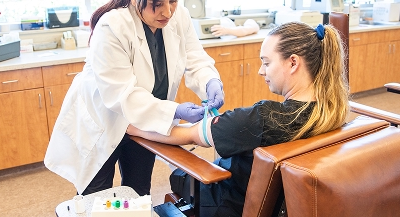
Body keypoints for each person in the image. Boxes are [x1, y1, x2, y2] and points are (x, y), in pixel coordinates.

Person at [127, 21, 350, 216]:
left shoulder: (259, 119)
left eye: (267, 62)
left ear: (293, 63)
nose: (261, 71)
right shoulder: (332, 111)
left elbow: (186, 135)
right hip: (284, 205)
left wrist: (131, 127)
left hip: (227, 203)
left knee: (179, 174)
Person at [44, 0, 225, 197]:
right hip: (104, 120)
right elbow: (122, 95)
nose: (168, 11)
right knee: (96, 197)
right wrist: (175, 111)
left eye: (172, 1)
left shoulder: (178, 16)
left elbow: (195, 57)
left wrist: (210, 81)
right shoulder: (112, 25)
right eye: (156, 4)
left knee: (138, 191)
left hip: (145, 121)